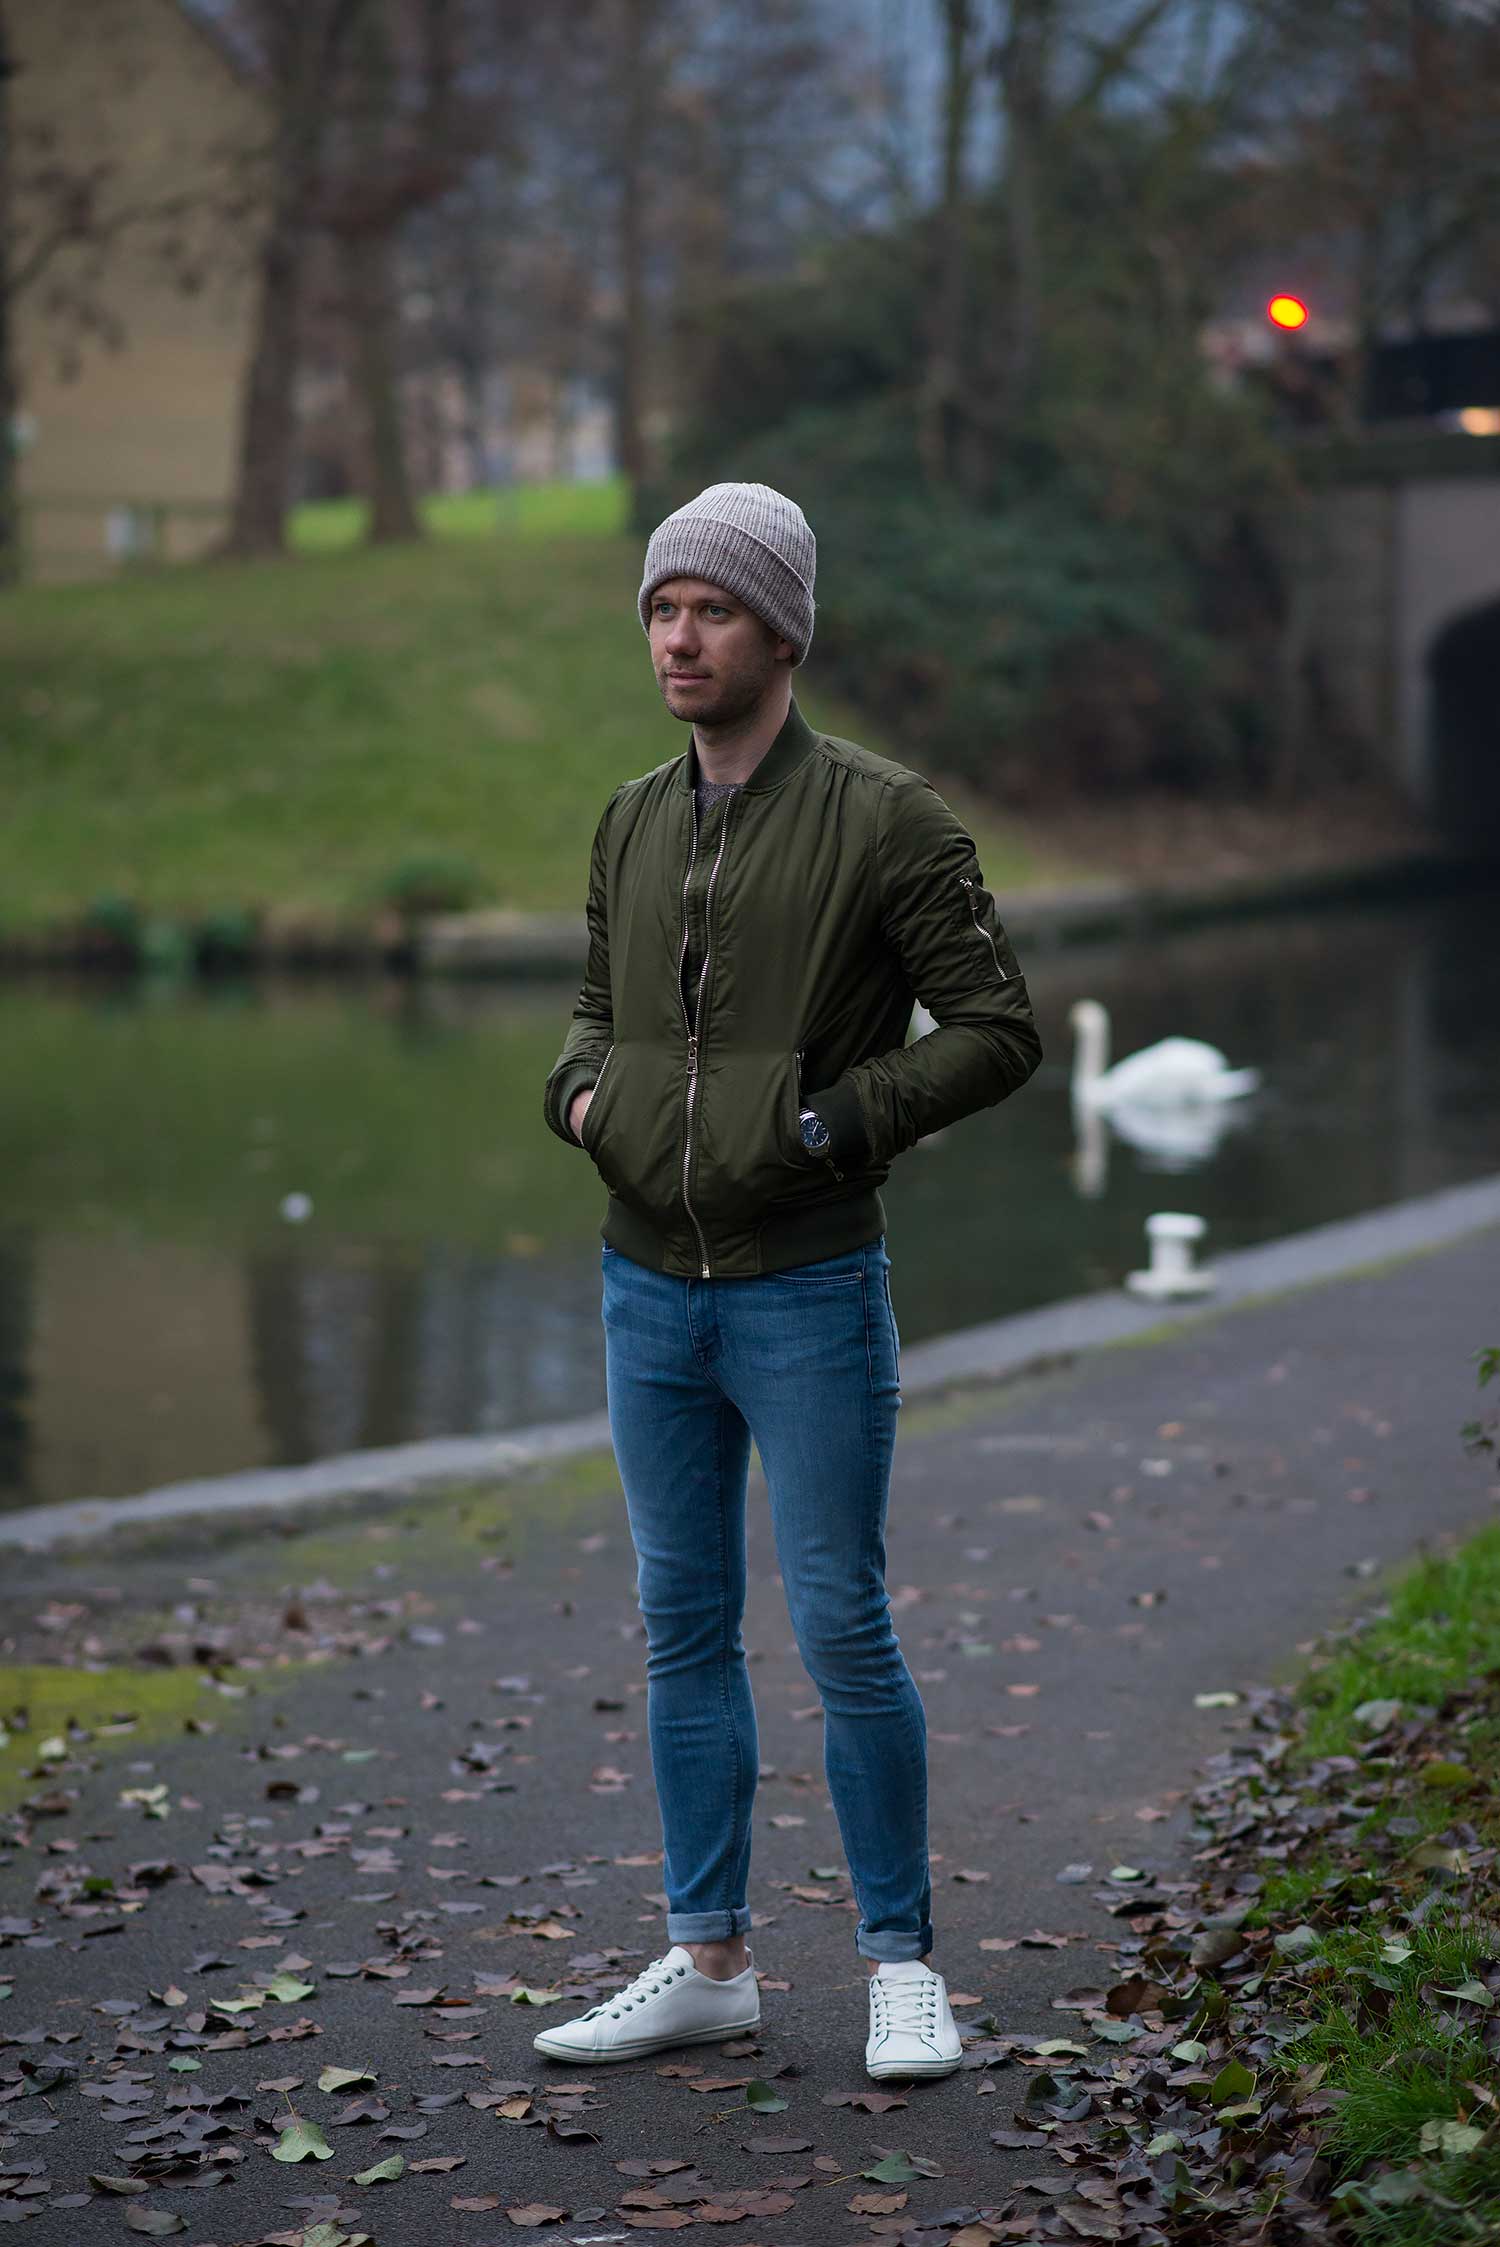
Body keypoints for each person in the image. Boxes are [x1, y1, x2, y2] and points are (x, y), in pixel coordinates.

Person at [538, 481, 1042, 2080]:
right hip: (646, 1288)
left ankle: (902, 1964)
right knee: (681, 1626)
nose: (678, 639)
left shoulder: (889, 820)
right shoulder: (629, 817)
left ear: (783, 634)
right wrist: (581, 1100)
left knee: (841, 1628)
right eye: (661, 608)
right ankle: (709, 1962)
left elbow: (998, 1031)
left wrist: (831, 1124)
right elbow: (591, 1011)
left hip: (808, 1290)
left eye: (713, 610)